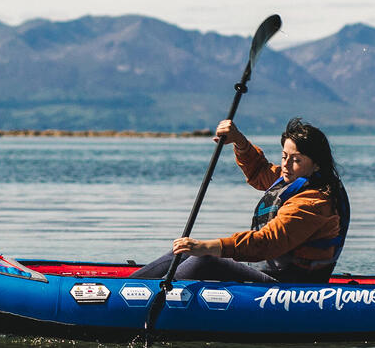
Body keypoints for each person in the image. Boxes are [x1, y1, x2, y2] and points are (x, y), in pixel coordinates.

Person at [131, 117, 350, 284]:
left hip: (289, 287)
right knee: (183, 252)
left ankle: (145, 298)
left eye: (296, 160)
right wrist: (239, 141)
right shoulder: (294, 180)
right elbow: (260, 172)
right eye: (284, 156)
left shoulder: (314, 203)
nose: (286, 164)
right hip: (271, 275)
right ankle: (128, 287)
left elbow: (267, 242)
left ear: (317, 165)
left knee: (204, 259)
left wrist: (207, 246)